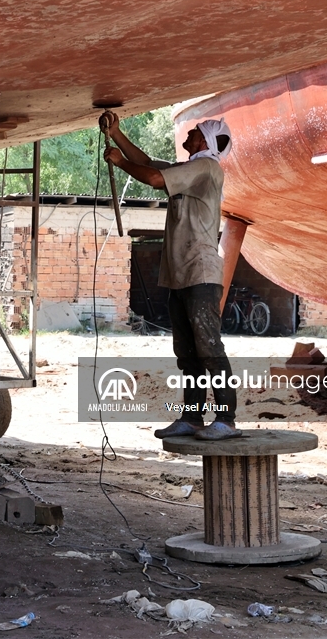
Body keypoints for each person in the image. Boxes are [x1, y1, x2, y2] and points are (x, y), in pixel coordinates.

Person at [99, 111, 241, 440]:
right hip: (182, 273)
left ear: (205, 141)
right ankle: (192, 418)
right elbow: (148, 163)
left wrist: (120, 163)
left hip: (200, 272)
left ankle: (226, 419)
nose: (187, 136)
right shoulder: (191, 169)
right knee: (188, 352)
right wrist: (118, 135)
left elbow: (153, 179)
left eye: (193, 133)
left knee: (208, 347)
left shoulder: (206, 167)